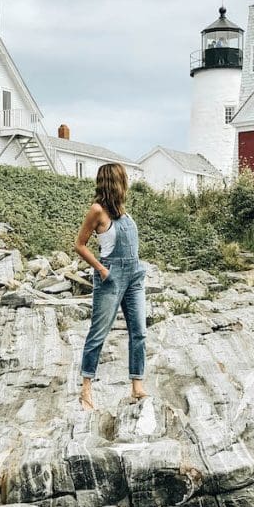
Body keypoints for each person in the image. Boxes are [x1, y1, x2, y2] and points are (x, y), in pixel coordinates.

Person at [74, 162, 147, 411]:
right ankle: (86, 390)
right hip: (111, 277)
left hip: (135, 276)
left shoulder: (122, 210)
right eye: (124, 177)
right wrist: (102, 270)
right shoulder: (97, 210)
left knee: (139, 332)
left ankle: (137, 386)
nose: (127, 180)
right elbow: (80, 244)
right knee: (98, 333)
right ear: (115, 181)